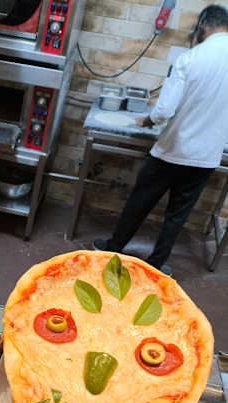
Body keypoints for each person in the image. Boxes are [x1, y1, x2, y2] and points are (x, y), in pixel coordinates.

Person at [93, 5, 228, 276]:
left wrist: (146, 120)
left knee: (140, 202)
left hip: (172, 151)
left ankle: (114, 248)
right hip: (205, 157)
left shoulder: (191, 58)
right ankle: (156, 266)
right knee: (177, 215)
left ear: (204, 24)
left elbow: (164, 111)